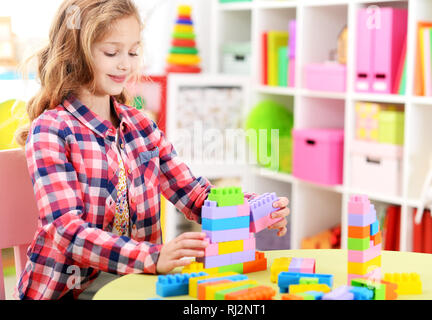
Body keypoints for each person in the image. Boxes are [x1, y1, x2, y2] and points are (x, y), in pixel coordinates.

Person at [13, 0, 290, 300]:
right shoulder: (52, 130)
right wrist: (153, 257)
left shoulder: (141, 126)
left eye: (133, 52)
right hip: (69, 291)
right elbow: (67, 231)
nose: (126, 64)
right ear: (76, 53)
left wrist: (253, 210)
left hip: (138, 284)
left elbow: (195, 196)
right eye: (111, 52)